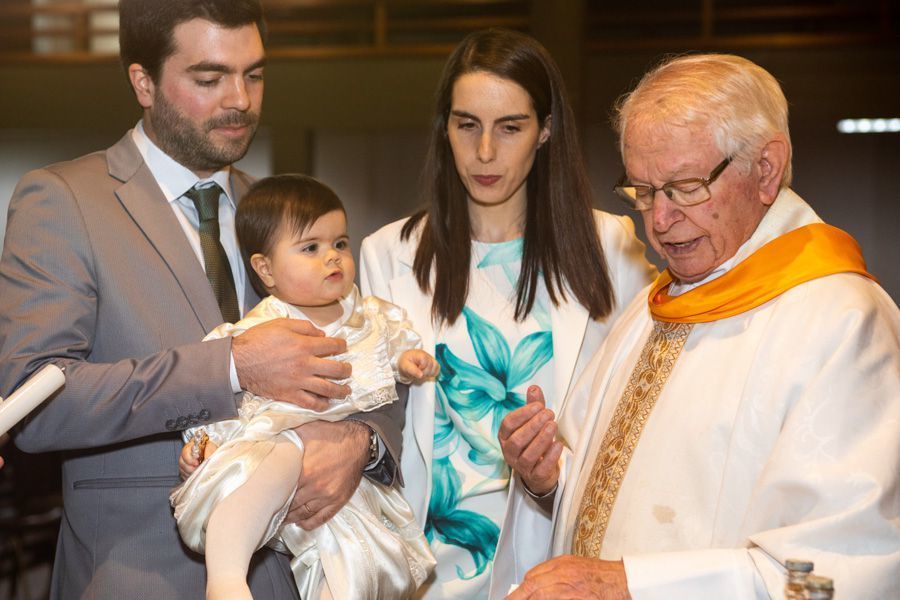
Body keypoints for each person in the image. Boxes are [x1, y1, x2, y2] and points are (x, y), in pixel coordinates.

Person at [0, 1, 404, 597]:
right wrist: (233, 366)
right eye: (210, 79)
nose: (240, 98)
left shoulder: (280, 212)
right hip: (136, 573)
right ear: (143, 82)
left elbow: (369, 345)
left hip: (292, 573)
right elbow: (35, 400)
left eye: (255, 74)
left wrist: (360, 443)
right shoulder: (63, 201)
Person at [498, 53, 900, 599]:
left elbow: (842, 563)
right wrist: (550, 482)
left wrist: (632, 587)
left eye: (685, 186)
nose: (660, 221)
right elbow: (615, 502)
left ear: (766, 169)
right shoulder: (648, 310)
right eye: (643, 191)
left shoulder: (842, 324)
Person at [360, 28, 656, 598]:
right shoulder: (386, 256)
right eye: (466, 125)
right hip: (426, 573)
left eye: (510, 127)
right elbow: (371, 422)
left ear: (545, 131)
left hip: (559, 565)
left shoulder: (609, 247)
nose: (485, 153)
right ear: (444, 127)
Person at [171, 174, 437, 599]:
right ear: (265, 269)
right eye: (311, 248)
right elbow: (222, 391)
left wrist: (407, 361)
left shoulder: (369, 315)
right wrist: (202, 445)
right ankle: (226, 579)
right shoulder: (261, 328)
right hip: (277, 436)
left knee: (357, 561)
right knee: (270, 466)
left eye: (340, 244)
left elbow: (395, 344)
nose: (332, 257)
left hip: (349, 479)